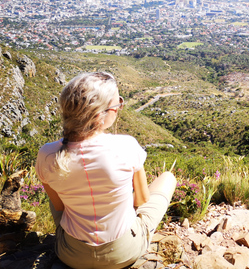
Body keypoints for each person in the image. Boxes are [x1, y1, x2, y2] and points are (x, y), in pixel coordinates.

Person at [35, 72, 176, 269]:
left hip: (71, 254)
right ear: (100, 114)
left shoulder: (46, 154)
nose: (118, 108)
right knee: (168, 178)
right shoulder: (126, 145)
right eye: (117, 104)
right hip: (122, 252)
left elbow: (59, 207)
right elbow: (142, 200)